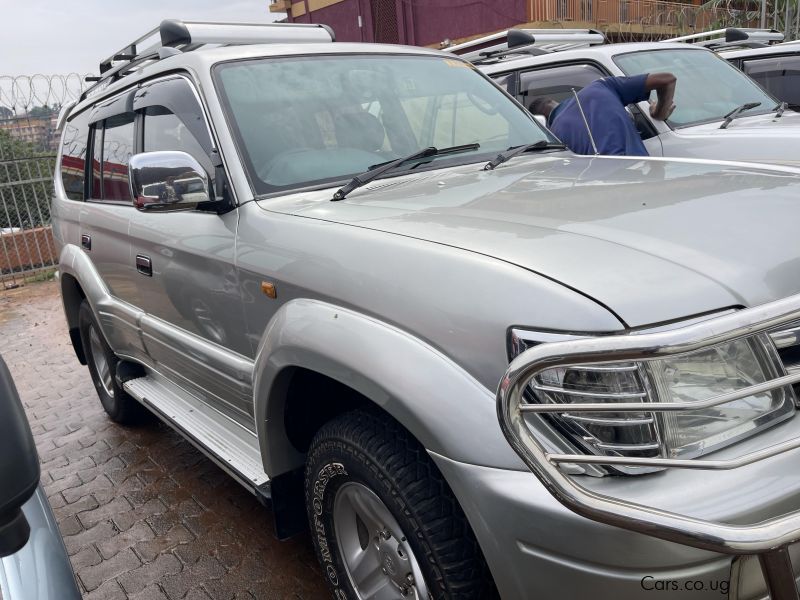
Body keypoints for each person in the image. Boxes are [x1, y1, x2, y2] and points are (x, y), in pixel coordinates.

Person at [529, 73, 677, 156]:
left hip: (609, 197)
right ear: (553, 101)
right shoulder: (601, 86)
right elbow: (667, 79)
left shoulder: (556, 139)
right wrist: (659, 113)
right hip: (642, 175)